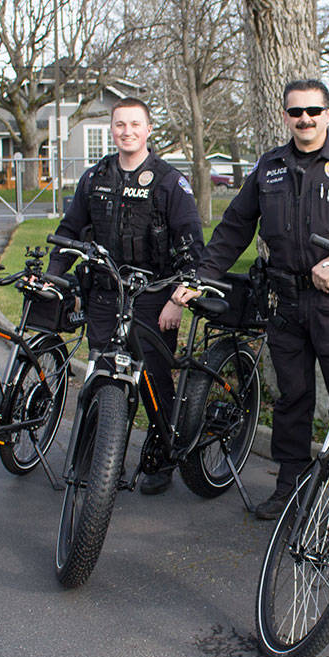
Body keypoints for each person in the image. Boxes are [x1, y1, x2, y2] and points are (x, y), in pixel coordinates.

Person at [176, 79, 329, 520]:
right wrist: (203, 276)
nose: (305, 119)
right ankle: (289, 488)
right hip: (285, 303)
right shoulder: (270, 166)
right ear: (284, 116)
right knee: (292, 399)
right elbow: (235, 227)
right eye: (296, 112)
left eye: (313, 111)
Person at [47, 97, 204, 495]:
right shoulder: (94, 178)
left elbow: (191, 247)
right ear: (112, 130)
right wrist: (54, 276)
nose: (127, 131)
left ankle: (160, 452)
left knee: (153, 379)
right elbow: (69, 230)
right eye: (120, 124)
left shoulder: (170, 182)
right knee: (101, 376)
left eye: (135, 124)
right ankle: (95, 457)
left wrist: (176, 300)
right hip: (104, 296)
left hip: (153, 298)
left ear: (149, 130)